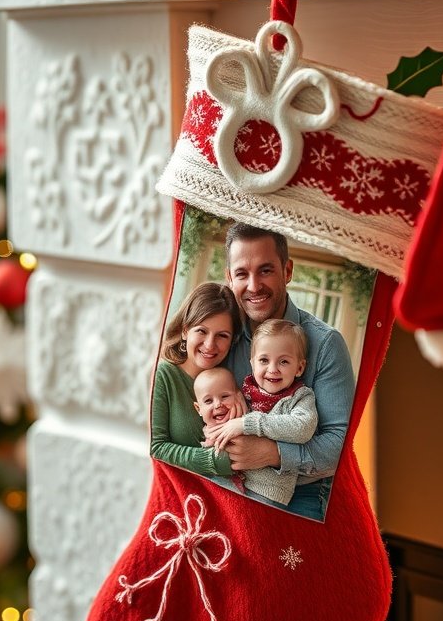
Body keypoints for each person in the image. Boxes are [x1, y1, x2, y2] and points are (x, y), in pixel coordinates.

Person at [223, 222, 356, 521]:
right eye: (242, 273)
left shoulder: (325, 343)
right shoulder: (221, 333)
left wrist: (272, 453)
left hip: (301, 490)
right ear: (230, 278)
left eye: (266, 270)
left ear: (288, 271)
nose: (254, 285)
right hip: (228, 476)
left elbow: (339, 444)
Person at [202, 319, 318, 506]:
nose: (272, 369)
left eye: (284, 362)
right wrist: (214, 431)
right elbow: (227, 422)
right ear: (252, 363)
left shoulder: (300, 397)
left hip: (267, 491)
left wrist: (247, 423)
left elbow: (303, 428)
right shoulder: (245, 390)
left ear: (299, 368)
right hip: (229, 478)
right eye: (264, 360)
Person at [150, 281, 243, 479]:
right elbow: (155, 447)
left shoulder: (231, 379)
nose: (210, 345)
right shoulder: (163, 375)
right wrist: (219, 460)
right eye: (201, 331)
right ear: (185, 330)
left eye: (222, 335)